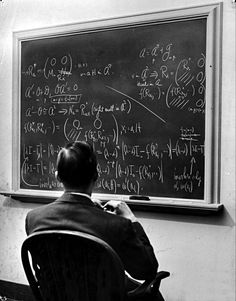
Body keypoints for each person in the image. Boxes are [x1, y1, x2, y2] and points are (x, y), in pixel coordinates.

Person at [25, 141, 167, 300]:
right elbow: (146, 271)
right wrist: (132, 220)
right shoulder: (116, 225)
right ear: (96, 176)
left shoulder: (34, 218)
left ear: (57, 176)